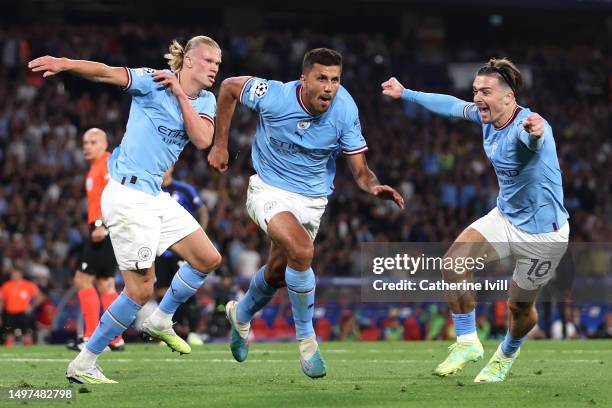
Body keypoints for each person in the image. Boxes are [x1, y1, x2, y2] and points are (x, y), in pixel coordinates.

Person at [28, 35, 223, 384]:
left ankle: (162, 319)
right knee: (139, 290)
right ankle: (85, 361)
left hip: (155, 196)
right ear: (189, 61)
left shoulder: (205, 100)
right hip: (128, 194)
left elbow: (203, 139)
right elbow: (106, 73)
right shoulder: (152, 80)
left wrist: (180, 94)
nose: (214, 68)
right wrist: (66, 63)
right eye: (209, 61)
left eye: (218, 64)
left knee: (207, 259)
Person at [208, 48, 404, 378]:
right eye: (322, 78)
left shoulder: (345, 110)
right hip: (268, 189)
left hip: (313, 201)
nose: (329, 87)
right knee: (302, 250)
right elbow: (228, 87)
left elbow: (360, 169)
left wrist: (372, 186)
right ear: (304, 79)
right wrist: (220, 143)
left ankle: (240, 315)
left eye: (335, 80)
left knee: (275, 273)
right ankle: (307, 341)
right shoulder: (273, 95)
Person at [382, 58, 569, 382]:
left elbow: (532, 142)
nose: (478, 97)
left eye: (486, 91)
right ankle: (468, 342)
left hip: (545, 237)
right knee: (453, 262)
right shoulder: (486, 119)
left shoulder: (528, 126)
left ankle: (507, 353)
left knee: (519, 309)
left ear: (509, 98)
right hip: (506, 217)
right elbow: (451, 105)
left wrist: (536, 135)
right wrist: (406, 93)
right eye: (476, 90)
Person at [68, 128, 124, 352]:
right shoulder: (95, 167)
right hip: (107, 228)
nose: (87, 146)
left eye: (92, 142)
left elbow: (114, 193)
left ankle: (91, 336)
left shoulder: (108, 163)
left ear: (104, 144)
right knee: (105, 283)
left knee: (82, 280)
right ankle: (115, 337)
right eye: (85, 142)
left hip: (105, 227)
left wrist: (102, 225)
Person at [154, 166, 209, 346]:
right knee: (162, 290)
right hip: (159, 249)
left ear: (172, 167)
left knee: (185, 289)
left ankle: (193, 331)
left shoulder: (184, 189)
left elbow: (202, 210)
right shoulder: (153, 190)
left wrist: (200, 233)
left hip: (182, 247)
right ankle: (169, 330)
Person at [0, 267, 43, 346]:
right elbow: (1, 301)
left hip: (23, 314)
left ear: (21, 274)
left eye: (17, 273)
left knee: (26, 335)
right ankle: (10, 356)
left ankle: (29, 355)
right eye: (13, 273)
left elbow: (39, 297)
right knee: (9, 336)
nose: (15, 275)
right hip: (9, 314)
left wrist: (32, 306)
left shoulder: (28, 285)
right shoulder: (6, 286)